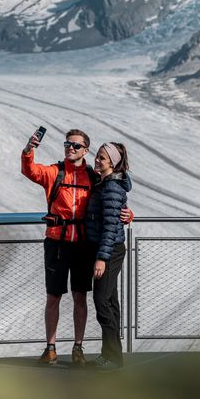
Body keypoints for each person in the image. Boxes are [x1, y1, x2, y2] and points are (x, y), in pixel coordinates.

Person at [21, 129, 130, 366]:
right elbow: (29, 170)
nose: (71, 148)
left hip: (83, 245)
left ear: (85, 150)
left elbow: (116, 195)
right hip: (57, 242)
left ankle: (77, 348)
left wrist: (127, 214)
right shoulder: (54, 172)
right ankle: (50, 348)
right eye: (67, 144)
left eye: (77, 146)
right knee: (53, 296)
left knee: (81, 296)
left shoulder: (93, 177)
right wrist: (30, 149)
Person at [85, 142, 131, 370]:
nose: (97, 160)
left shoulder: (111, 188)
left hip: (109, 252)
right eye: (98, 156)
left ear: (112, 162)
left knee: (102, 301)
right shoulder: (104, 183)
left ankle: (113, 357)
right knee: (110, 302)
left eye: (102, 158)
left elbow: (111, 226)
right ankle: (111, 356)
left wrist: (101, 258)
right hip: (108, 249)